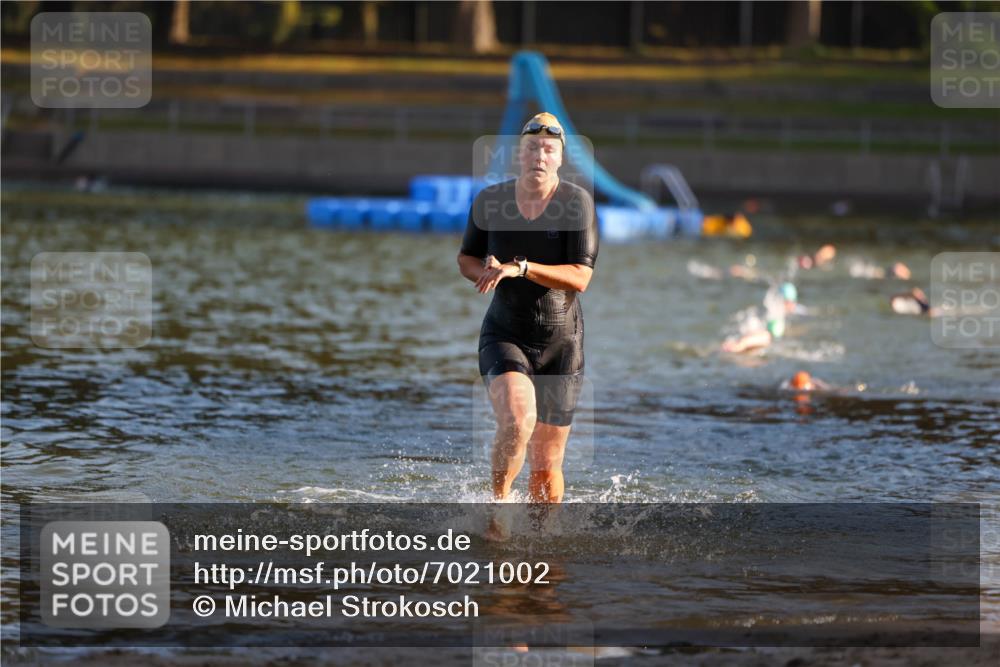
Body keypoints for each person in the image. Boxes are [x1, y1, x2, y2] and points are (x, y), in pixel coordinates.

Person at [456, 112, 598, 504]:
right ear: (519, 155)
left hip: (562, 344)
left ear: (560, 158)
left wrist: (520, 267)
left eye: (548, 149)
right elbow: (466, 258)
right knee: (518, 422)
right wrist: (484, 273)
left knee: (547, 462)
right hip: (506, 334)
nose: (539, 154)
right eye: (532, 147)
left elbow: (581, 277)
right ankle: (499, 508)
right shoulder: (491, 200)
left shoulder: (576, 203)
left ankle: (544, 552)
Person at [721, 282, 798, 353]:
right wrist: (742, 344)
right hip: (749, 341)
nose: (793, 305)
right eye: (790, 302)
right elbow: (766, 337)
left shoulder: (766, 312)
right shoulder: (776, 320)